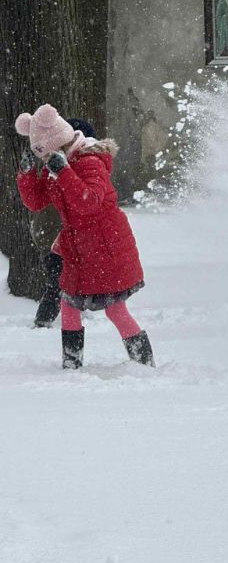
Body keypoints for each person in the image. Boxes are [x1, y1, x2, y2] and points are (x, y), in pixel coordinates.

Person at [15, 104, 154, 369]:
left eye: (47, 153)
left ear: (59, 143)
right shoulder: (57, 167)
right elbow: (36, 201)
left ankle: (144, 364)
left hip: (105, 246)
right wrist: (27, 175)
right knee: (69, 304)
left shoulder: (90, 162)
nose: (45, 160)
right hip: (78, 247)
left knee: (115, 309)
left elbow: (88, 201)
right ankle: (71, 366)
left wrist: (64, 172)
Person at [28, 118, 96, 328]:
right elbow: (41, 200)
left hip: (58, 233)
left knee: (67, 278)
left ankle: (75, 312)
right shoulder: (59, 166)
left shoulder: (64, 164)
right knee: (58, 280)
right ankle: (43, 321)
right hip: (54, 234)